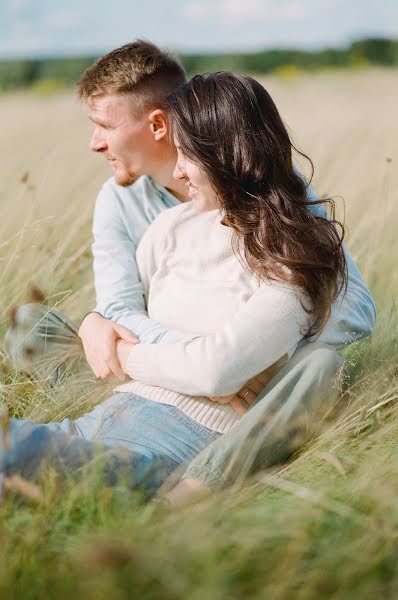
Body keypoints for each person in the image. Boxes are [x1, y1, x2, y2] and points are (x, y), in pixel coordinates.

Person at [3, 41, 376, 504]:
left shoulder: (284, 218)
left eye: (103, 125)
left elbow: (352, 304)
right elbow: (119, 307)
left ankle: (200, 479)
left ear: (161, 126)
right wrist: (108, 331)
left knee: (320, 366)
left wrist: (253, 357)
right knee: (28, 329)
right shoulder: (147, 215)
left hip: (196, 403)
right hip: (144, 384)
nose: (94, 143)